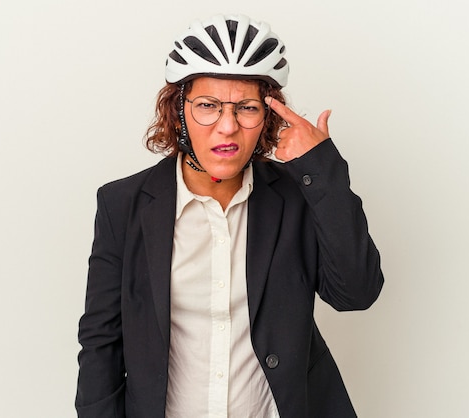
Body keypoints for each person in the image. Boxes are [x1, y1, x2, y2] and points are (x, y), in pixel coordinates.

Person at [75, 14, 384, 418]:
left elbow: (356, 293)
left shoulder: (296, 196)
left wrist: (321, 169)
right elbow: (101, 341)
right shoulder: (123, 204)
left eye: (246, 108)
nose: (227, 126)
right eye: (207, 106)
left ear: (267, 117)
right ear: (179, 112)